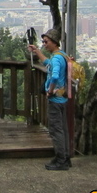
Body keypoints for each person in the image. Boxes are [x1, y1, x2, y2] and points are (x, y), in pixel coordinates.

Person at [29, 28, 71, 171]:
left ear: (53, 42)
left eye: (46, 41)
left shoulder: (57, 59)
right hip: (63, 99)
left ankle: (60, 159)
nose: (44, 44)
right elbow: (48, 63)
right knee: (63, 128)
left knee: (55, 129)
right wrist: (36, 51)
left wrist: (50, 90)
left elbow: (54, 74)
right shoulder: (61, 55)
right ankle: (65, 157)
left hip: (55, 99)